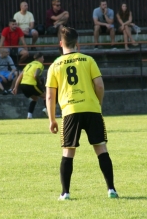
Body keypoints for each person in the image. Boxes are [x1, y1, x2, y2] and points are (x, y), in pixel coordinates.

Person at [45, 27, 118, 200]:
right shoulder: (88, 60)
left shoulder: (55, 65)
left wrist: (52, 120)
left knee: (68, 152)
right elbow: (99, 85)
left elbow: (49, 95)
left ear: (60, 43)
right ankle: (111, 189)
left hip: (70, 111)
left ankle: (65, 193)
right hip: (92, 110)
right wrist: (97, 104)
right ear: (77, 43)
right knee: (101, 148)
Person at [13, 52, 47, 119]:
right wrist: (39, 82)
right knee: (46, 96)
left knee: (35, 98)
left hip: (23, 85)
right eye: (43, 57)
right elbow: (35, 75)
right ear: (39, 58)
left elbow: (20, 76)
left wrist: (15, 87)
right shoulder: (39, 64)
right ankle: (48, 111)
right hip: (30, 84)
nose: (43, 59)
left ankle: (29, 115)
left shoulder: (28, 64)